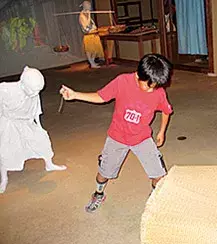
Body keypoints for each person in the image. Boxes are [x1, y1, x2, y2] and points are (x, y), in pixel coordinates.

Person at [59, 54, 173, 213]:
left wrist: (162, 132)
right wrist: (75, 95)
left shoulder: (158, 91)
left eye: (155, 86)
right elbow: (101, 96)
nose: (152, 90)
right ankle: (98, 193)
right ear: (138, 75)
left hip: (142, 138)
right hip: (117, 137)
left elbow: (166, 111)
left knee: (159, 176)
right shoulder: (122, 82)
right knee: (104, 173)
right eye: (148, 86)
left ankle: (154, 197)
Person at [0, 66, 67, 193]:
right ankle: (4, 178)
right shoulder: (4, 90)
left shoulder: (33, 92)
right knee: (5, 151)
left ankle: (49, 164)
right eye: (33, 91)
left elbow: (35, 110)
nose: (36, 94)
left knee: (42, 140)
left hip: (27, 122)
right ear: (23, 84)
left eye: (38, 91)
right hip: (8, 123)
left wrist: (39, 128)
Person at [79, 1, 105, 69]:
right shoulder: (82, 15)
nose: (90, 6)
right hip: (89, 35)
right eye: (88, 5)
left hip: (94, 34)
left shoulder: (87, 13)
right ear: (85, 6)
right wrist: (89, 15)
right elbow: (87, 25)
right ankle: (91, 63)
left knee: (95, 50)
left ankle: (92, 62)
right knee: (89, 50)